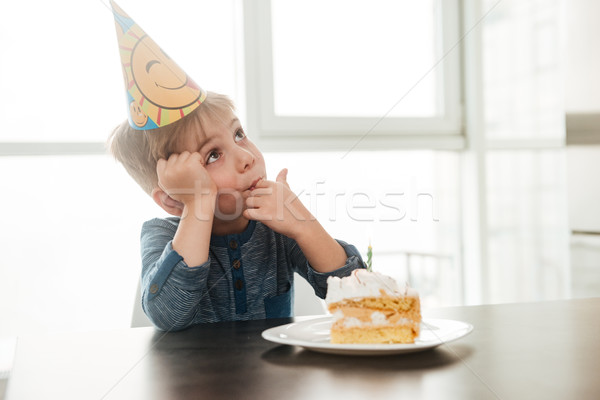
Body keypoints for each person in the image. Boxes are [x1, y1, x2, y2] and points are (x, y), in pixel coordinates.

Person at [107, 1, 364, 331]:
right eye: (213, 155)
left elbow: (357, 299)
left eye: (239, 134)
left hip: (271, 381)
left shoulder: (276, 229)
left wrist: (304, 226)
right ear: (172, 198)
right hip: (196, 382)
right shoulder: (160, 235)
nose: (247, 157)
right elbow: (168, 315)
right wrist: (198, 203)